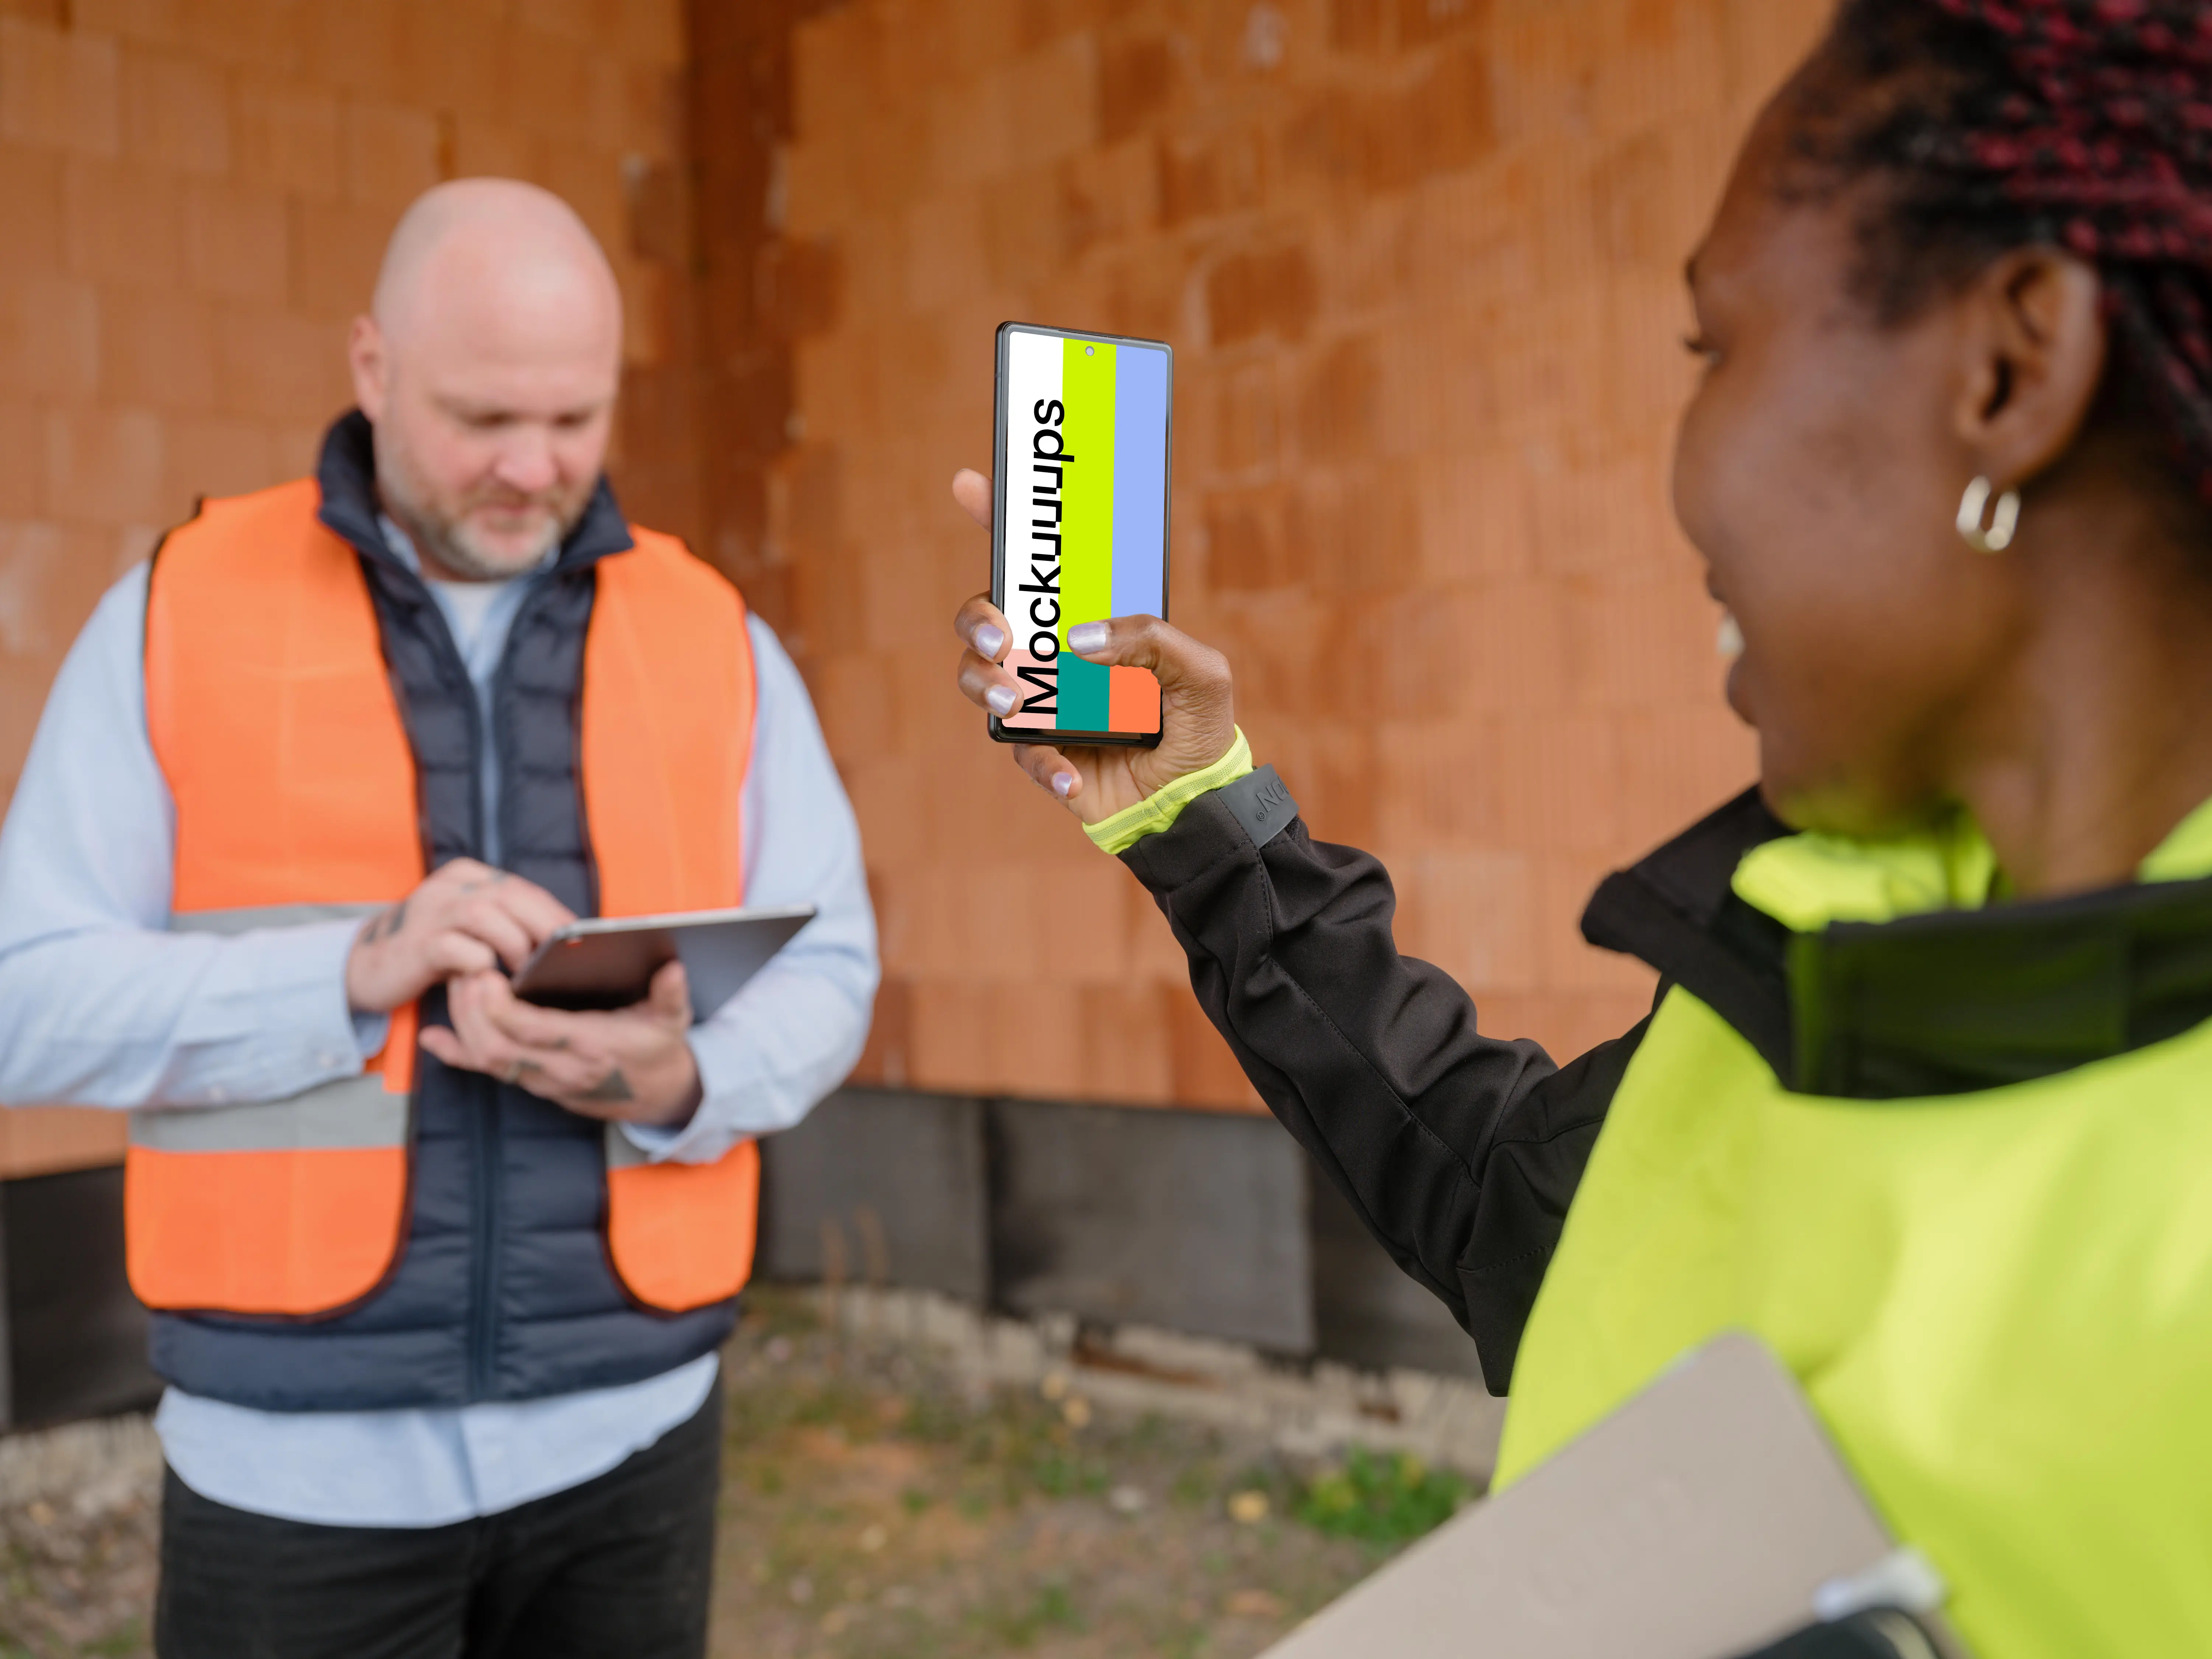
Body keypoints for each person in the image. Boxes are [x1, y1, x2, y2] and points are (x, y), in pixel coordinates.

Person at [953, 1, 2212, 1653]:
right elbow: (1511, 1216)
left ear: (2010, 365)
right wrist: (1202, 820)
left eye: (1718, 349)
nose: (1682, 475)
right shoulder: (1838, 935)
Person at [0, 179, 877, 1658]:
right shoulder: (177, 607)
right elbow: (23, 1001)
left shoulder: (714, 631)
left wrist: (684, 1079)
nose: (535, 469)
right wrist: (351, 974)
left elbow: (834, 964)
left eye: (577, 419)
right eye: (482, 419)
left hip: (635, 1446)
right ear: (371, 368)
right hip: (295, 1474)